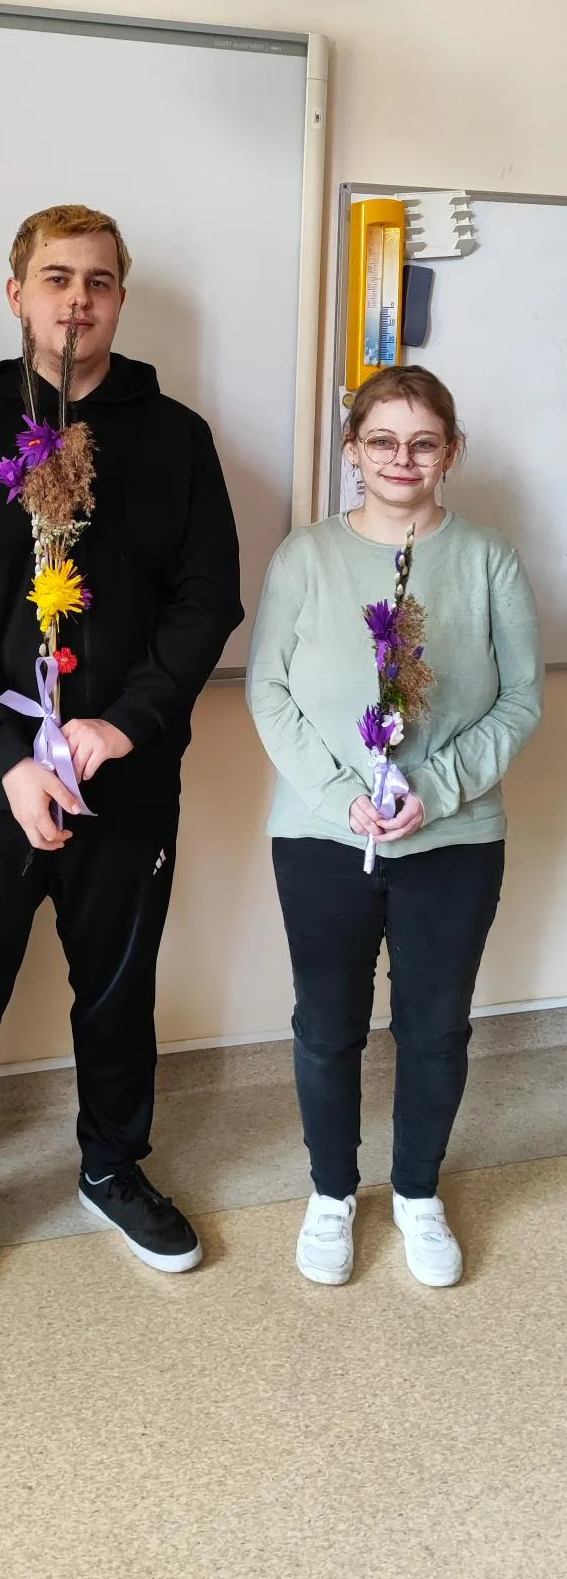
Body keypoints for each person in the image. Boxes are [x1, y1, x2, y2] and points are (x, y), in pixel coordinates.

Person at [0, 203, 242, 1331]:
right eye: (56, 278)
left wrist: (125, 723)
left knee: (119, 986)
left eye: (97, 280)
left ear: (120, 299)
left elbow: (207, 599)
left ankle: (111, 1164)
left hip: (120, 773)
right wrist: (6, 758)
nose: (76, 300)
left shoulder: (176, 439)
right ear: (17, 295)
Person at [246, 365, 543, 1289]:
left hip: (453, 839)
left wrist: (437, 788)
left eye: (423, 442)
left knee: (436, 1027)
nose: (401, 459)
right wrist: (342, 797)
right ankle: (332, 1193)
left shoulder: (489, 558)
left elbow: (521, 698)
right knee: (326, 1025)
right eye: (382, 441)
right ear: (353, 451)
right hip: (320, 835)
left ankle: (416, 1192)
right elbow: (268, 689)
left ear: (451, 451)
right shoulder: (306, 555)